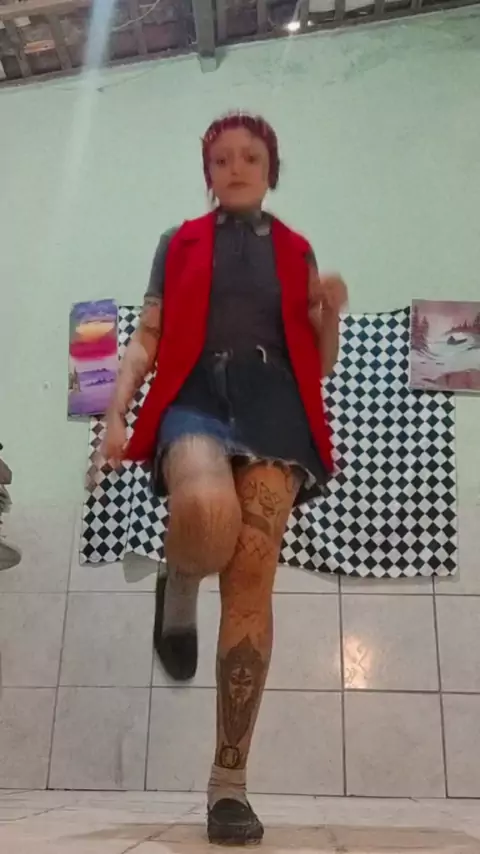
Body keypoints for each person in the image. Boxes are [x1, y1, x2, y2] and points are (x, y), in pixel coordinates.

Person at [101, 112, 347, 846]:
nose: (236, 168)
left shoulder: (297, 251)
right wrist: (116, 411)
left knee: (250, 580)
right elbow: (149, 334)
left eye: (250, 157)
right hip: (196, 397)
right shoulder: (178, 242)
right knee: (207, 516)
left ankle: (229, 786)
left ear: (272, 169)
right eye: (221, 159)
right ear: (208, 173)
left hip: (276, 410)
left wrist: (329, 314)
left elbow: (319, 363)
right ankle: (177, 586)